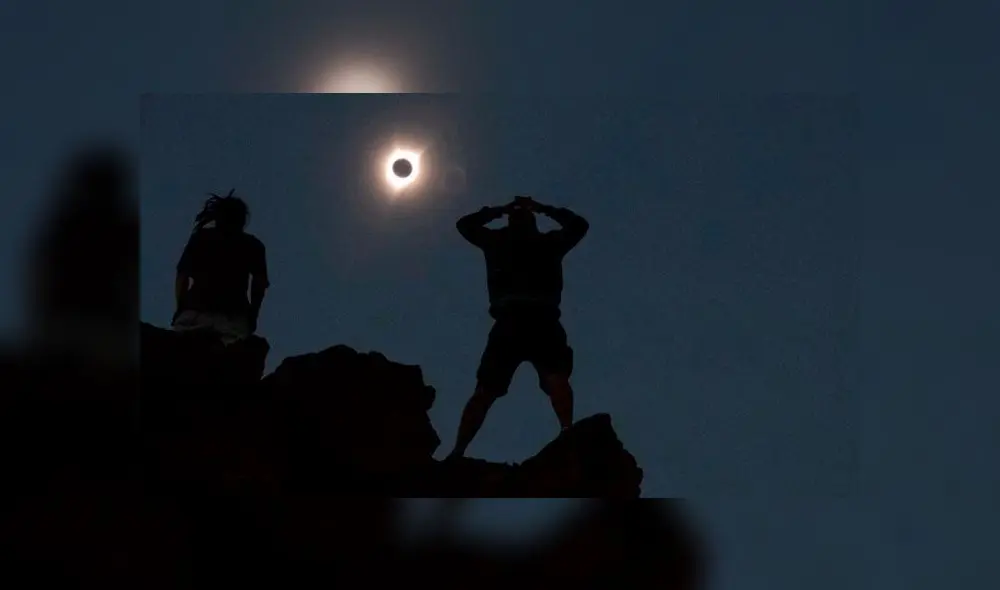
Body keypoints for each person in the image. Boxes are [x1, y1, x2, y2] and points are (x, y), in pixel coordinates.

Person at [448, 196, 589, 460]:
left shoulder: (498, 242)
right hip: (540, 319)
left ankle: (458, 451)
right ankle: (567, 430)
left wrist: (499, 210)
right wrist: (543, 207)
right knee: (553, 378)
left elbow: (465, 225)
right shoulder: (546, 243)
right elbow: (579, 225)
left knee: (487, 390)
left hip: (512, 321)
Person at [172, 190, 269, 345]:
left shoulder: (201, 238)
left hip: (194, 314)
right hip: (233, 319)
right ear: (242, 220)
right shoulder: (253, 245)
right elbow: (259, 285)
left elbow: (182, 276)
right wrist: (252, 314)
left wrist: (180, 308)